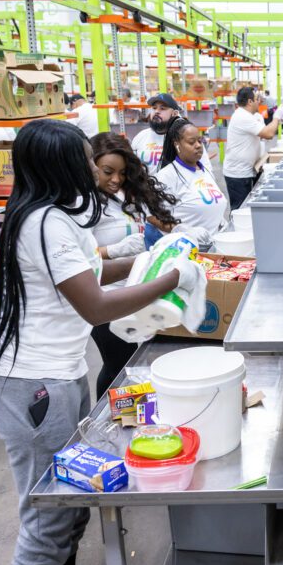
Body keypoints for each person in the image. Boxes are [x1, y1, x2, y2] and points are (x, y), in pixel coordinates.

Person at [0, 120, 200, 565]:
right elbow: (94, 304)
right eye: (85, 160)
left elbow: (91, 271)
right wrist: (176, 279)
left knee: (70, 498)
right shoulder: (45, 223)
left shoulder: (51, 215)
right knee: (48, 512)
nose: (94, 169)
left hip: (55, 374)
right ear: (64, 164)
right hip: (30, 382)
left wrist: (157, 258)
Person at [89, 132, 178, 398]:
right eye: (107, 172)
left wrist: (171, 230)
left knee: (134, 363)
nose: (116, 179)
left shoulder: (128, 194)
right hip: (107, 300)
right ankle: (104, 415)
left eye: (122, 173)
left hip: (138, 290)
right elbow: (79, 261)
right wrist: (115, 251)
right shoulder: (86, 205)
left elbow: (155, 222)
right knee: (117, 364)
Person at [151, 118, 228, 247]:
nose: (198, 145)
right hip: (186, 249)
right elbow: (152, 216)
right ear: (177, 144)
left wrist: (219, 220)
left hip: (213, 246)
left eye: (200, 140)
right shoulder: (166, 176)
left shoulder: (205, 171)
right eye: (191, 142)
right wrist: (181, 229)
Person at [223, 86, 283, 210]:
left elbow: (263, 135)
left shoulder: (249, 116)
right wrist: (276, 117)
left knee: (248, 209)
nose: (260, 101)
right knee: (240, 211)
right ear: (250, 101)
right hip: (238, 174)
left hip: (248, 170)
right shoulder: (242, 116)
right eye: (257, 98)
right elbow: (268, 134)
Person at [132, 93, 182, 173]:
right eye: (154, 108)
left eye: (162, 108)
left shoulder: (182, 138)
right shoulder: (141, 136)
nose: (156, 112)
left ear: (174, 114)